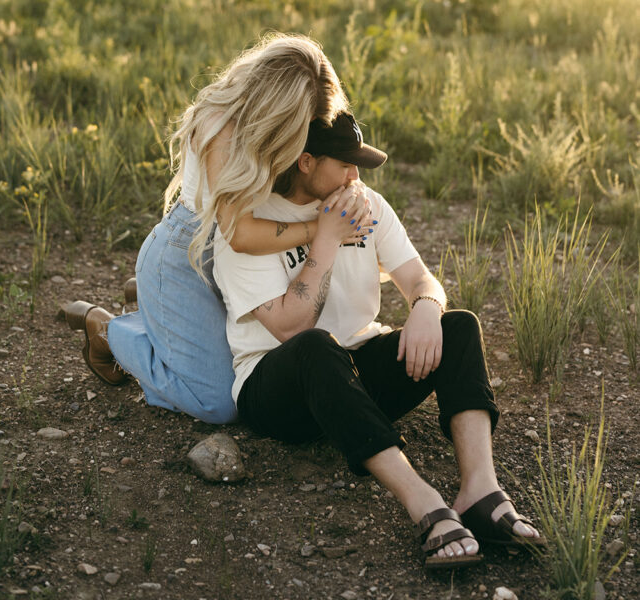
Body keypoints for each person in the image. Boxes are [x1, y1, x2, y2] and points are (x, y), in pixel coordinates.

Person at [213, 112, 545, 570]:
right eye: (346, 165)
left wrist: (427, 306)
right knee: (316, 345)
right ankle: (422, 499)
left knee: (461, 326)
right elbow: (291, 329)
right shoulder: (250, 229)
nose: (356, 176)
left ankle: (480, 491)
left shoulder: (366, 203)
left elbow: (418, 278)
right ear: (306, 162)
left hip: (355, 372)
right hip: (279, 391)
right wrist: (325, 239)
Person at [63, 33, 370, 424]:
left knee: (257, 373)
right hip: (190, 255)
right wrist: (322, 229)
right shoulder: (221, 125)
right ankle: (108, 330)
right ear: (274, 102)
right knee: (219, 403)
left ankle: (156, 309)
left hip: (248, 263)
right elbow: (239, 235)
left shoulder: (295, 119)